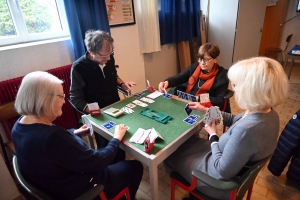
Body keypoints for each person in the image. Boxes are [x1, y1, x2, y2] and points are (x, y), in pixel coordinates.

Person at [163, 57, 289, 199]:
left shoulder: (247, 131)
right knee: (185, 144)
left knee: (170, 154)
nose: (232, 89)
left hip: (217, 181)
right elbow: (235, 120)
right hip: (229, 159)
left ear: (251, 91)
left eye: (235, 85)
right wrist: (206, 110)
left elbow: (221, 171)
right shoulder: (267, 112)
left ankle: (190, 189)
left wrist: (213, 135)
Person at [12, 71, 143, 200]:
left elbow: (53, 149)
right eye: (61, 96)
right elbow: (99, 160)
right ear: (45, 99)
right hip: (83, 189)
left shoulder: (19, 125)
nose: (64, 102)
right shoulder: (53, 138)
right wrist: (116, 138)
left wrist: (74, 132)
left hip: (54, 183)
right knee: (135, 167)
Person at [70, 30, 136, 148]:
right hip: (98, 115)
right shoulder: (78, 67)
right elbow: (75, 98)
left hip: (116, 108)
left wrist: (122, 84)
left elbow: (113, 75)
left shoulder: (108, 59)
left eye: (111, 53)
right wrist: (95, 112)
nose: (109, 58)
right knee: (106, 147)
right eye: (105, 55)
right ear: (91, 52)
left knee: (121, 142)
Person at [158, 43, 229, 110]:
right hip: (187, 101)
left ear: (215, 59)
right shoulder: (194, 67)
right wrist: (167, 82)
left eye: (206, 59)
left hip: (204, 106)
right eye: (200, 59)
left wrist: (199, 98)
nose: (202, 62)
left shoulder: (222, 75)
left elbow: (219, 100)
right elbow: (179, 78)